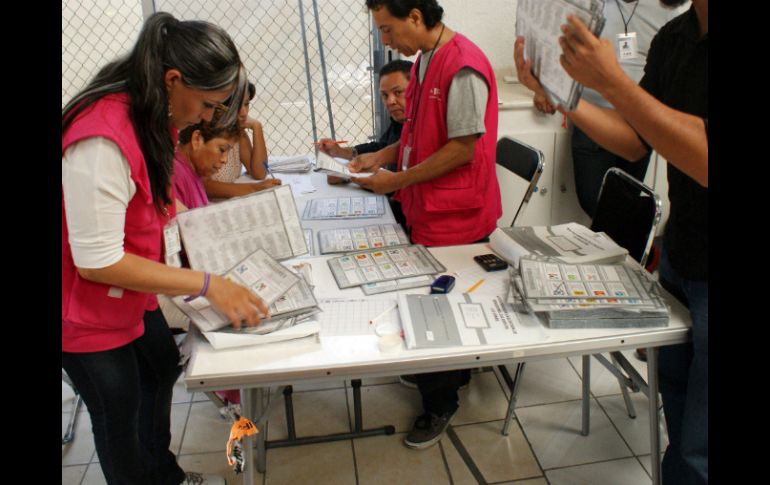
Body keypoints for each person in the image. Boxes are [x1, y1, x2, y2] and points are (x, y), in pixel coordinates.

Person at [62, 12, 269, 485]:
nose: (206, 118)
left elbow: (155, 208)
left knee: (158, 369)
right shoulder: (102, 137)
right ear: (173, 80)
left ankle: (164, 475)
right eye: (206, 104)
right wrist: (207, 284)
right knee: (118, 413)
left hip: (130, 297)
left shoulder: (149, 115)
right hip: (84, 313)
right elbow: (97, 262)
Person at [514, 1, 707, 483]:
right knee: (680, 424)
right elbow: (633, 141)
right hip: (685, 258)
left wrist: (612, 82)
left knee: (699, 449)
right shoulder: (676, 36)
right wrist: (561, 96)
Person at [354, 0, 502, 450]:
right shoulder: (424, 63)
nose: (385, 41)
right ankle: (440, 374)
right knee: (427, 299)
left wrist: (397, 179)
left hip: (455, 216)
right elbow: (415, 133)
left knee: (437, 304)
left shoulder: (464, 68)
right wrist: (380, 158)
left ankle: (440, 402)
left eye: (387, 28)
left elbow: (462, 149)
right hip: (429, 208)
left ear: (415, 17)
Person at [533, 0, 687, 219]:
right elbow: (557, 44)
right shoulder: (590, 5)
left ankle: (628, 246)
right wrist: (545, 89)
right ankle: (632, 241)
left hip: (639, 122)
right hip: (593, 117)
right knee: (592, 199)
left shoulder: (668, 9)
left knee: (629, 196)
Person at [318, 59, 413, 227]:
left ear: (415, 89)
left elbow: (394, 183)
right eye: (384, 95)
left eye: (398, 92)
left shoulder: (424, 127)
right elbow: (381, 147)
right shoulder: (400, 120)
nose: (390, 101)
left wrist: (348, 177)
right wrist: (340, 152)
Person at [203, 81, 282, 198]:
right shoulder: (208, 133)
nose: (244, 112)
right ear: (220, 104)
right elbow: (205, 185)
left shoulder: (239, 133)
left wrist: (257, 127)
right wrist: (255, 188)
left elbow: (259, 173)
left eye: (246, 104)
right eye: (236, 106)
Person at [173, 108, 240, 209]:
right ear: (197, 139)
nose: (225, 160)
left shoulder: (193, 170)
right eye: (222, 150)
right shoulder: (175, 174)